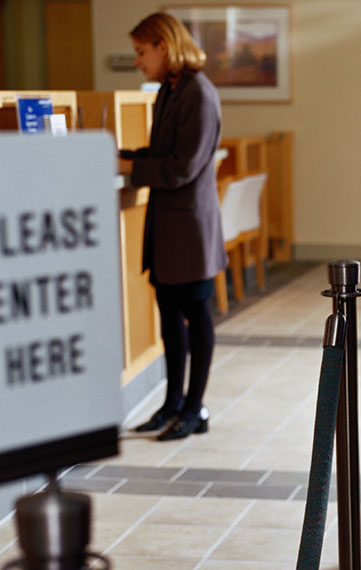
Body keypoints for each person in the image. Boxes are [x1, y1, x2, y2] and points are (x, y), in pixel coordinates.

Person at [119, 12, 227, 442]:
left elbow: (181, 167)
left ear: (164, 46)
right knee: (168, 318)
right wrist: (123, 154)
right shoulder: (168, 90)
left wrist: (130, 165)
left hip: (190, 233)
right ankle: (172, 404)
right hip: (167, 230)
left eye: (141, 52)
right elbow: (161, 150)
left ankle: (195, 407)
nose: (138, 62)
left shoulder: (199, 93)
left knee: (195, 316)